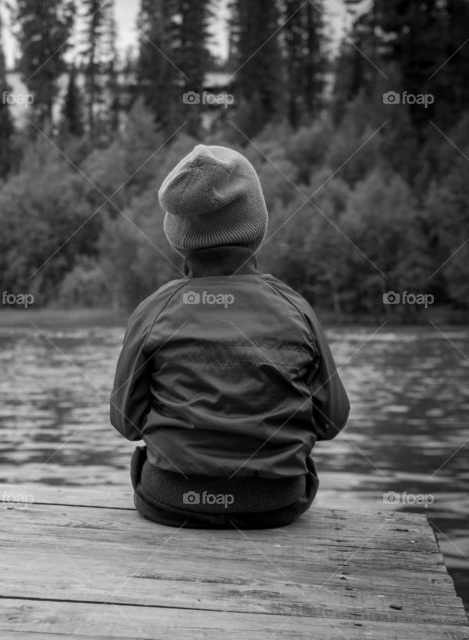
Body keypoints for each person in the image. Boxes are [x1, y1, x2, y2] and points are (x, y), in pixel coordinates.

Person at [110, 144, 350, 529]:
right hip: (274, 504)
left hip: (171, 501)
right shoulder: (295, 309)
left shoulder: (154, 310)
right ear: (256, 225)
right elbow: (332, 422)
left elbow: (127, 423)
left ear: (178, 235)